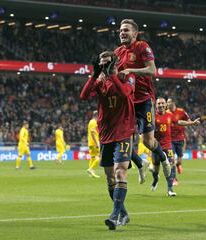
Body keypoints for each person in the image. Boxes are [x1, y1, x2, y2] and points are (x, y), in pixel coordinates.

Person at [80, 51, 135, 230]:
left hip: (123, 132)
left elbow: (125, 93)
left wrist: (112, 74)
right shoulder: (100, 81)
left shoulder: (126, 76)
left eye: (107, 63)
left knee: (120, 173)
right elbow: (84, 96)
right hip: (105, 134)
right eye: (101, 64)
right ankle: (123, 213)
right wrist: (95, 75)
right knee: (110, 178)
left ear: (116, 62)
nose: (104, 66)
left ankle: (114, 215)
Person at [114, 19, 171, 179]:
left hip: (144, 99)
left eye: (126, 30)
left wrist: (130, 70)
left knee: (148, 141)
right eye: (120, 30)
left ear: (135, 33)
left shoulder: (142, 46)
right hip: (127, 101)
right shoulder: (117, 52)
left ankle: (163, 158)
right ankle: (139, 163)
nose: (122, 33)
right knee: (122, 136)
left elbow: (152, 70)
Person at [167, 98, 200, 185]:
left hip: (180, 139)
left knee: (179, 161)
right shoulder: (166, 113)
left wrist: (193, 123)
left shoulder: (181, 112)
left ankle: (178, 165)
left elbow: (188, 120)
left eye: (169, 102)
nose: (167, 104)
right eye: (167, 102)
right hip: (170, 139)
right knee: (171, 160)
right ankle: (174, 178)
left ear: (173, 102)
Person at [150, 97, 176, 196]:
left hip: (168, 145)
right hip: (156, 147)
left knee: (170, 164)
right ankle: (156, 178)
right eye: (159, 103)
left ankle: (170, 189)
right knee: (156, 169)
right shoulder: (153, 117)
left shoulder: (170, 115)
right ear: (156, 105)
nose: (161, 105)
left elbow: (178, 122)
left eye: (162, 103)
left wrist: (191, 123)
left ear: (166, 105)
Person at [87, 110, 101, 178]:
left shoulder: (91, 122)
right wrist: (97, 143)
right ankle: (91, 169)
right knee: (100, 156)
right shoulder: (93, 122)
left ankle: (91, 173)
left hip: (91, 143)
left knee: (92, 157)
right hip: (94, 143)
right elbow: (93, 133)